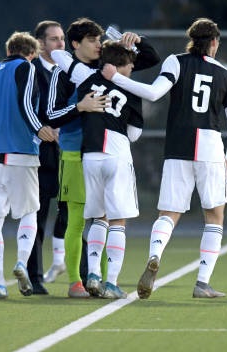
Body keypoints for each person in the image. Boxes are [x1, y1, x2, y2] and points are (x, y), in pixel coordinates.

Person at [102, 18, 227, 299]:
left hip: (178, 146)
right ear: (214, 42)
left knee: (169, 214)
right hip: (211, 148)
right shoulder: (225, 74)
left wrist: (116, 78)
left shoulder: (176, 62)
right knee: (214, 216)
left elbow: (153, 94)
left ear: (191, 40)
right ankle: (202, 283)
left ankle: (154, 256)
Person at [47, 17, 159, 298]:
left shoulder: (86, 78)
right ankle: (112, 283)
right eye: (130, 63)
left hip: (90, 155)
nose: (134, 66)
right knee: (118, 221)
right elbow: (133, 134)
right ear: (123, 65)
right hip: (117, 154)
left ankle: (93, 274)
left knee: (97, 218)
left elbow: (60, 56)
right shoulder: (132, 90)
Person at [0, 31, 58, 299]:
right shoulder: (26, 67)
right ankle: (22, 262)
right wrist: (39, 129)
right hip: (20, 150)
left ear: (8, 49)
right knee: (29, 212)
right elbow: (25, 103)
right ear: (31, 53)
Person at [25, 20, 65, 295]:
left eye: (62, 39)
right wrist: (44, 129)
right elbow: (25, 107)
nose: (60, 44)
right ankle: (34, 276)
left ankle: (81, 275)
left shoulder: (69, 72)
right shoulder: (30, 72)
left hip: (69, 156)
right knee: (36, 218)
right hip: (41, 156)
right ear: (40, 43)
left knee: (74, 215)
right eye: (54, 39)